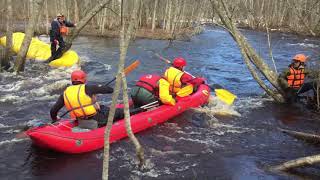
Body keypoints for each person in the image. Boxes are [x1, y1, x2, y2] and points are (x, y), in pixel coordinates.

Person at [50, 70, 124, 129]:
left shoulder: (65, 93)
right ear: (84, 79)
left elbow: (53, 110)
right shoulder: (88, 88)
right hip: (96, 119)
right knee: (119, 112)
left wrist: (55, 118)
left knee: (101, 107)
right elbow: (110, 90)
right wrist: (99, 88)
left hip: (80, 120)